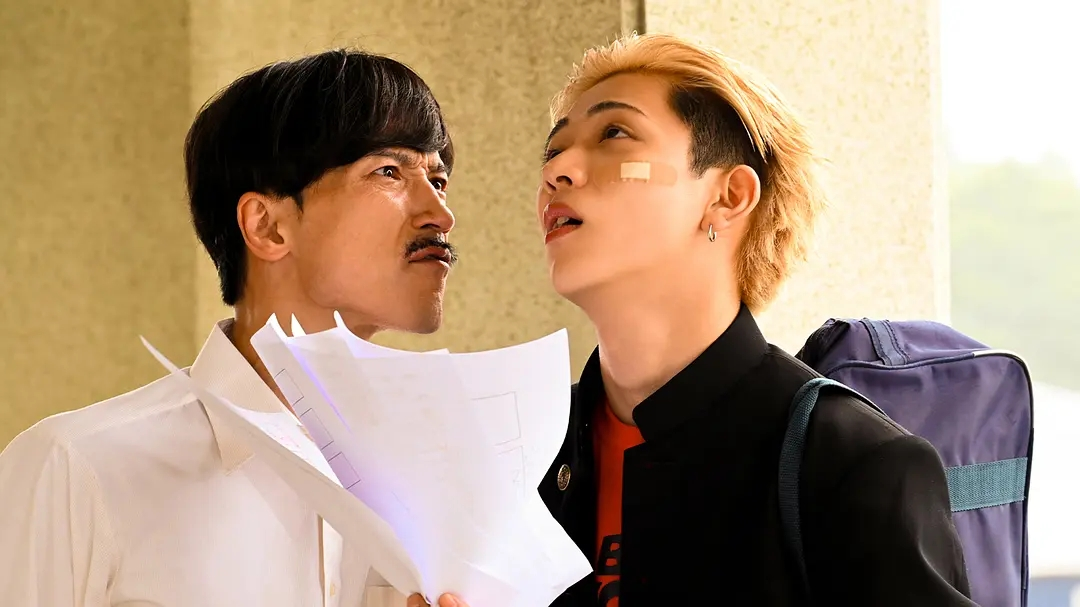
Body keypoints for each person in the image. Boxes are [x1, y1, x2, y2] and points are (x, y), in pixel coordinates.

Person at [0, 49, 466, 607]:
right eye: (388, 171)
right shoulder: (77, 467)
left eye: (438, 179)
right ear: (267, 227)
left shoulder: (451, 485)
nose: (440, 214)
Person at [535, 34, 974, 606]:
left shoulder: (852, 464)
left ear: (729, 196)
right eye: (553, 150)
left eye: (614, 134)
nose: (558, 169)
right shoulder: (526, 449)